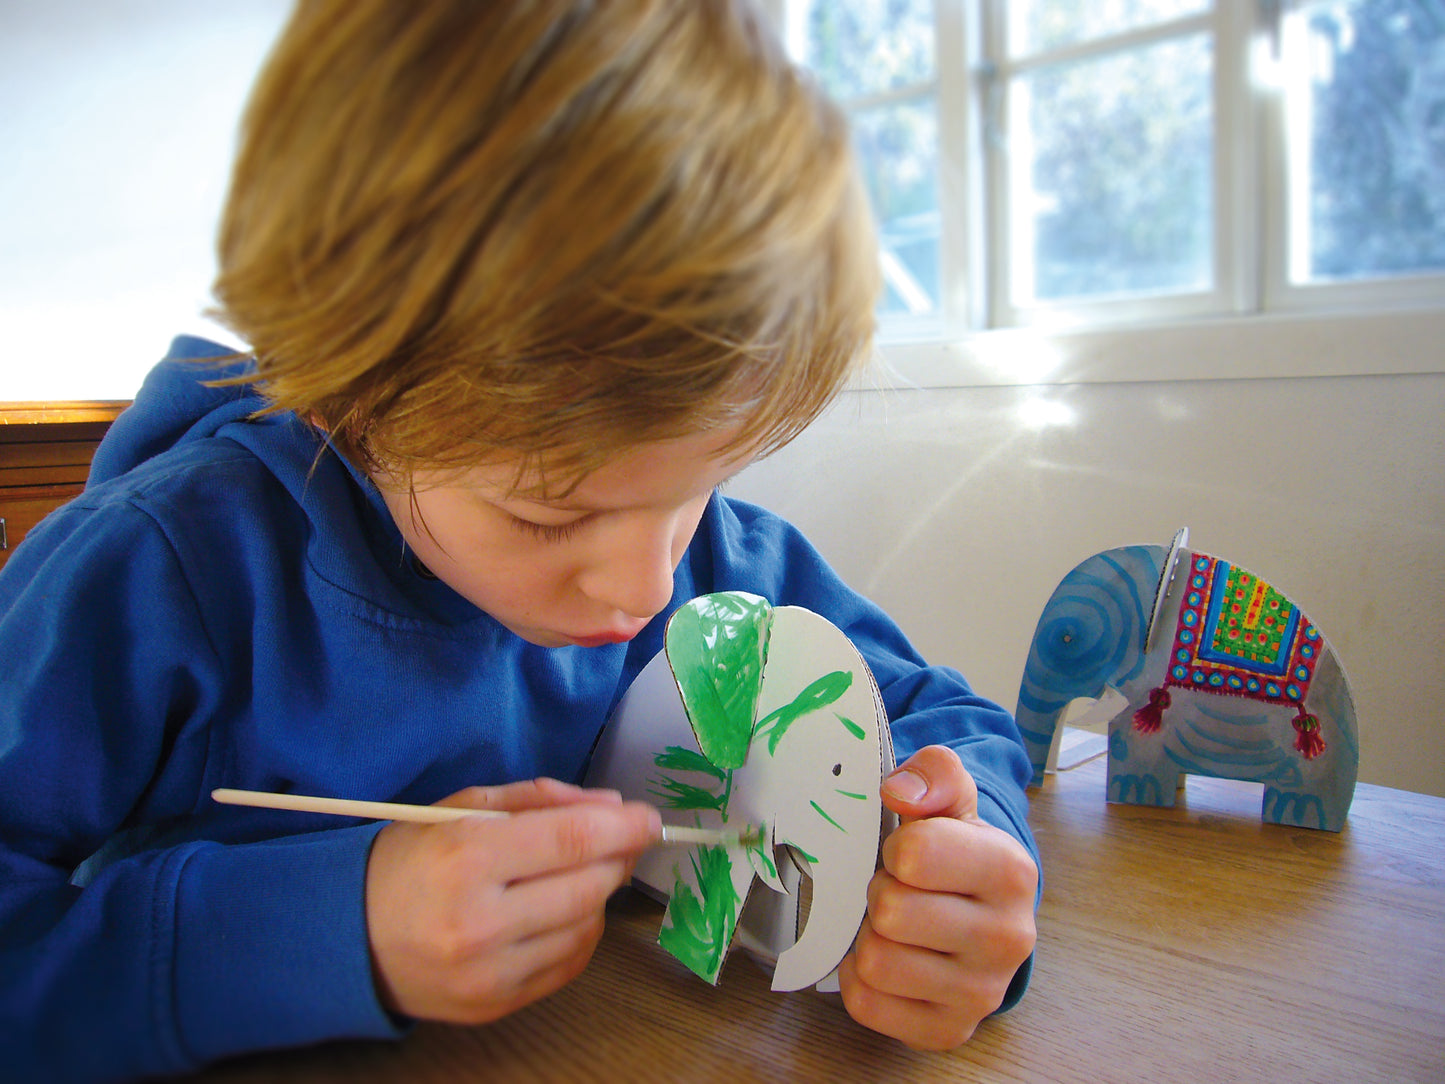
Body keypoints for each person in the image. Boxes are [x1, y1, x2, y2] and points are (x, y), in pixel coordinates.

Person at [0, 2, 1039, 1080]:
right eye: (548, 515)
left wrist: (970, 871)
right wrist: (332, 927)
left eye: (699, 487)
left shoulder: (709, 563)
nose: (646, 584)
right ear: (344, 399)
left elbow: (944, 718)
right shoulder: (155, 576)